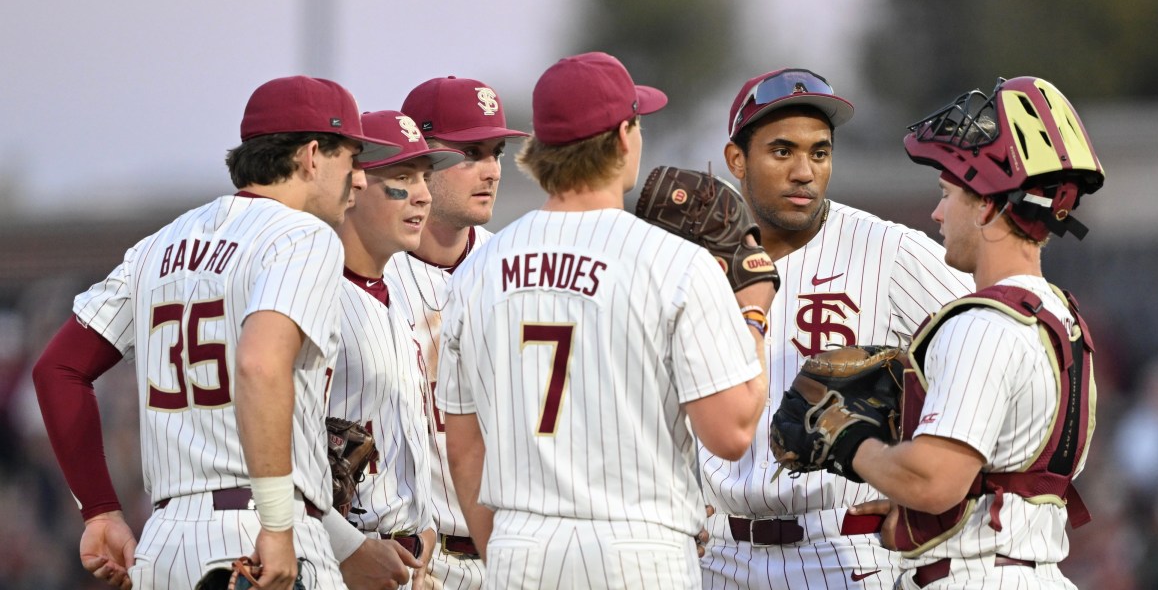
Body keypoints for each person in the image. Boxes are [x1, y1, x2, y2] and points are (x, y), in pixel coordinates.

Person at [30, 75, 404, 590]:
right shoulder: (303, 237)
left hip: (163, 545)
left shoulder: (158, 245)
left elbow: (58, 368)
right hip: (260, 532)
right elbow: (259, 364)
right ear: (312, 156)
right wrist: (278, 523)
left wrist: (99, 511)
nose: (359, 179)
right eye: (352, 158)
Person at [436, 51, 774, 589]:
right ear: (622, 138)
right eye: (638, 123)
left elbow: (465, 448)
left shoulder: (477, 270)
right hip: (638, 549)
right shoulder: (675, 263)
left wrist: (506, 552)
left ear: (541, 149)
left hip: (521, 546)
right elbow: (731, 433)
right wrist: (752, 314)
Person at [699, 68, 973, 589]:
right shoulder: (694, 261)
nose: (805, 172)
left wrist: (942, 491)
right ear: (737, 159)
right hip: (716, 553)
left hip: (841, 548)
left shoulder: (889, 251)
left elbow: (1002, 352)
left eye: (819, 153)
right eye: (782, 151)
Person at [847, 76, 1103, 589]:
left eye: (947, 194)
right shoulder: (1062, 315)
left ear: (986, 204)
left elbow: (935, 480)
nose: (938, 213)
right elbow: (1011, 480)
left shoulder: (982, 324)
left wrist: (851, 441)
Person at [387, 75, 528, 590]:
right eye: (470, 153)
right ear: (419, 159)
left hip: (515, 554)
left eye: (496, 153)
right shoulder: (371, 276)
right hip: (411, 560)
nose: (492, 170)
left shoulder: (519, 268)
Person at [324, 109, 466, 589]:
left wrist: (422, 525)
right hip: (341, 559)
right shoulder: (315, 296)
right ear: (352, 186)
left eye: (425, 176)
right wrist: (345, 545)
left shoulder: (398, 294)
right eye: (402, 178)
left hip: (406, 559)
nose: (423, 194)